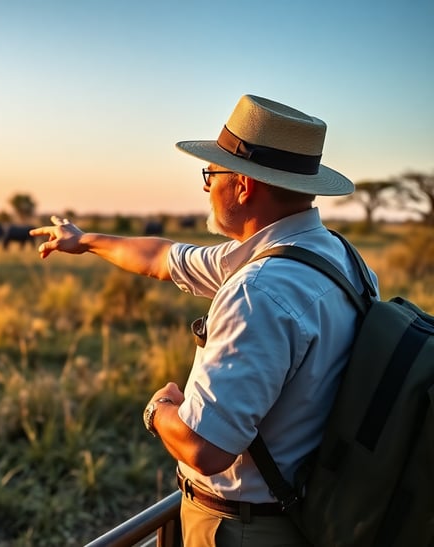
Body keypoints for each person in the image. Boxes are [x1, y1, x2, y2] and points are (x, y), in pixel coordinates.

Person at [29, 94, 378, 547]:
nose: (205, 186)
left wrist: (159, 410)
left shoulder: (258, 290)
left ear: (244, 186)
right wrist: (83, 240)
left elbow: (204, 448)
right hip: (313, 509)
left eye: (210, 174)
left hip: (243, 529)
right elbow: (162, 257)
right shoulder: (338, 258)